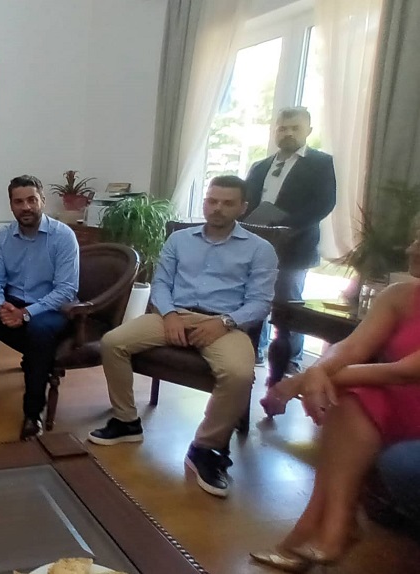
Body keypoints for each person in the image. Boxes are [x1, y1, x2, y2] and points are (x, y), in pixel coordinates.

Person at [88, 176, 278, 498]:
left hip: (224, 324)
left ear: (243, 208)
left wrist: (225, 322)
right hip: (173, 315)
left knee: (239, 373)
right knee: (113, 342)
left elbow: (260, 302)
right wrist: (169, 314)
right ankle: (126, 421)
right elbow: (161, 284)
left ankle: (206, 448)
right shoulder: (180, 239)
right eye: (212, 201)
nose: (217, 208)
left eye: (227, 203)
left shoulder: (260, 249)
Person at [251, 220, 420, 571]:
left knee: (356, 393)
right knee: (357, 399)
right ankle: (333, 527)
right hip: (400, 404)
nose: (410, 248)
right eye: (415, 238)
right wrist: (317, 373)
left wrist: (306, 380)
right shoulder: (399, 296)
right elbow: (352, 347)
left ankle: (320, 530)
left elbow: (405, 371)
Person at [0, 174, 78, 441]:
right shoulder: (4, 237)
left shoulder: (63, 237)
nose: (26, 207)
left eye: (32, 200)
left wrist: (26, 313)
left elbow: (66, 290)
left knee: (38, 330)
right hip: (12, 303)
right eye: (19, 202)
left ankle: (33, 413)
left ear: (42, 200)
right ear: (11, 205)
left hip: (51, 309)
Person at [245, 107, 336, 371]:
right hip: (259, 243)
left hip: (296, 244)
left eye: (295, 128)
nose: (288, 133)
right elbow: (247, 200)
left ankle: (290, 360)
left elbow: (324, 203)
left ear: (308, 130)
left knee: (288, 305)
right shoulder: (260, 166)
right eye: (282, 128)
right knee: (256, 297)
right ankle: (254, 350)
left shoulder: (321, 163)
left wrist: (287, 225)